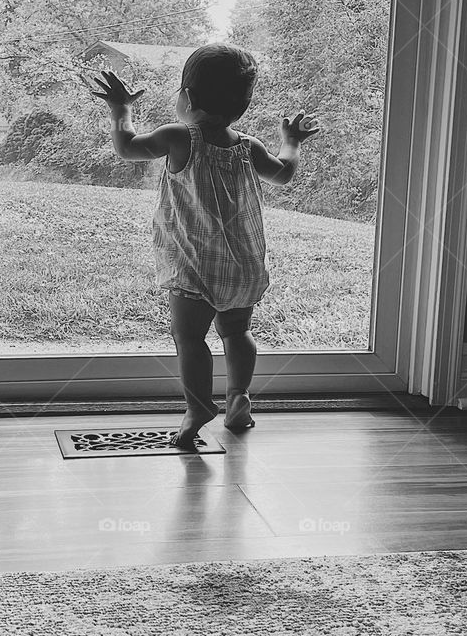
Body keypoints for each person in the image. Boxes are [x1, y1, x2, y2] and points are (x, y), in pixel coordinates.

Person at [85, 43, 319, 450]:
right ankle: (238, 399)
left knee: (189, 338)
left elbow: (126, 148)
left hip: (194, 265)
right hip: (242, 265)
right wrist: (292, 141)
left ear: (187, 98)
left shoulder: (179, 137)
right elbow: (283, 174)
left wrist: (120, 109)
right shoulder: (250, 146)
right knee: (237, 332)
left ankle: (197, 407)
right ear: (241, 104)